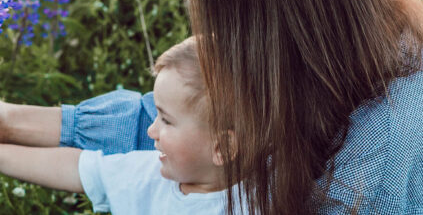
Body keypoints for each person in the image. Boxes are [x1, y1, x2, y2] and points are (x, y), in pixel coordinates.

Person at [0, 0, 423, 214]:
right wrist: (11, 122)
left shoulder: (373, 171)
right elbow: (188, 119)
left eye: (225, 14)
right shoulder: (371, 49)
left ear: (275, 16)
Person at [0, 37, 242, 214]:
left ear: (221, 147)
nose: (151, 130)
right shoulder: (150, 174)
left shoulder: (265, 199)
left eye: (166, 120)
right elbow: (78, 168)